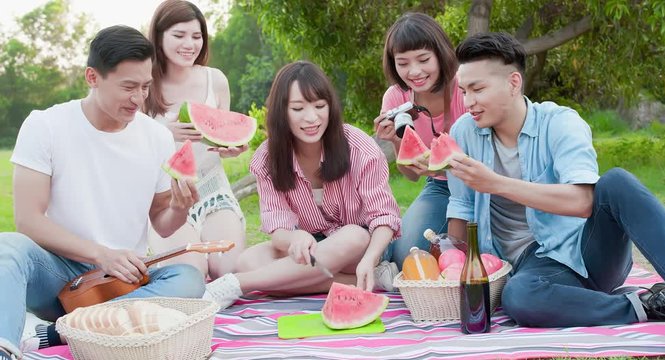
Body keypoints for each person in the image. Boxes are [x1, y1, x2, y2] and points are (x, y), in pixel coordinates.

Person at [446, 31, 665, 327]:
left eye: (477, 89)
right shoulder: (463, 132)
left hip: (587, 252)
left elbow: (583, 201)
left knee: (616, 182)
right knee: (518, 297)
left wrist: (495, 183)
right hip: (533, 268)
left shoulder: (560, 122)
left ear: (513, 83)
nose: (468, 101)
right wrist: (447, 262)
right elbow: (461, 207)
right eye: (463, 91)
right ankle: (646, 306)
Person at [0, 25, 205, 359]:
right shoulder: (45, 126)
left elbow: (162, 222)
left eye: (145, 86)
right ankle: (5, 350)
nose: (139, 98)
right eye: (128, 87)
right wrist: (100, 253)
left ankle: (58, 332)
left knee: (188, 279)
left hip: (122, 282)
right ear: (92, 77)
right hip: (58, 274)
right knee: (7, 246)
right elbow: (28, 220)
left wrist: (180, 209)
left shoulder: (157, 137)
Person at [202, 61, 402, 309]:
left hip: (362, 250)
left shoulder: (359, 147)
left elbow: (385, 218)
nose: (311, 118)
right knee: (248, 260)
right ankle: (353, 282)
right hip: (311, 251)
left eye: (320, 106)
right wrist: (295, 237)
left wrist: (370, 259)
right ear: (281, 111)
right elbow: (278, 228)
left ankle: (239, 284)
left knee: (353, 237)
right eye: (298, 108)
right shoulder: (267, 158)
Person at [145, 0, 247, 279]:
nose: (189, 44)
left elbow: (222, 133)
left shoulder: (216, 80)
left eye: (196, 36)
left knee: (230, 272)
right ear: (159, 37)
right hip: (165, 199)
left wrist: (232, 147)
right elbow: (125, 144)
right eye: (179, 35)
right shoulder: (144, 83)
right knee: (191, 275)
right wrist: (164, 133)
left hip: (213, 191)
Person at [373, 12, 466, 270]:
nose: (414, 71)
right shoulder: (395, 98)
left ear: (440, 54)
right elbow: (411, 175)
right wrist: (394, 140)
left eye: (424, 59)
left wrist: (448, 164)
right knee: (406, 258)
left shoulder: (464, 87)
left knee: (477, 252)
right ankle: (379, 241)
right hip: (439, 187)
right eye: (403, 63)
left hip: (481, 185)